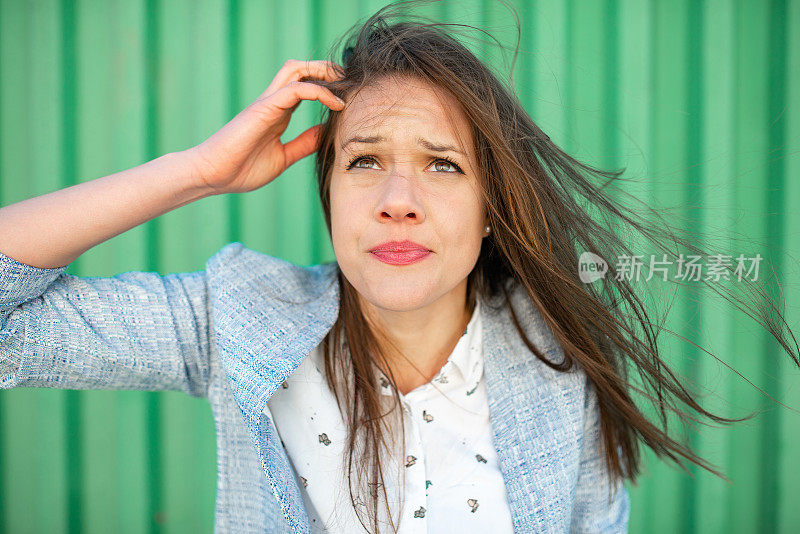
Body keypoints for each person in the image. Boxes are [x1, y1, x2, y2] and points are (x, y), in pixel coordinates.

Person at [1, 3, 797, 534]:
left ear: (490, 207)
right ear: (330, 193)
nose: (399, 200)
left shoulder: (562, 365)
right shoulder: (237, 318)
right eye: (365, 161)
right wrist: (196, 171)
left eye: (444, 166)